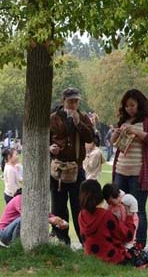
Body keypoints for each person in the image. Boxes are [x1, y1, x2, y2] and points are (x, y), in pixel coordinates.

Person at [78, 179, 148, 266]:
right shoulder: (106, 216)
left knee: (140, 253)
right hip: (112, 258)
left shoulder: (81, 216)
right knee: (143, 255)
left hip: (94, 257)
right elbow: (128, 235)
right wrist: (129, 215)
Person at [109, 89, 148, 249]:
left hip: (139, 174)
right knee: (119, 208)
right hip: (120, 172)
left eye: (132, 105)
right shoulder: (124, 121)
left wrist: (136, 131)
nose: (129, 109)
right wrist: (116, 134)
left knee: (138, 209)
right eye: (126, 106)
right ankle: (120, 242)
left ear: (140, 104)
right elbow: (113, 143)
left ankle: (139, 245)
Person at [49, 87, 94, 245]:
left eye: (76, 101)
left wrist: (78, 123)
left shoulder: (83, 117)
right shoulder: (53, 118)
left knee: (79, 207)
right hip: (58, 170)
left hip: (76, 168)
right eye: (70, 101)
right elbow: (46, 140)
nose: (73, 105)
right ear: (64, 101)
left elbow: (90, 138)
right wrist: (50, 148)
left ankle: (85, 242)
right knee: (58, 207)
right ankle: (62, 242)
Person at [0, 190, 68, 246]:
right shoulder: (19, 198)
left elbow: (45, 214)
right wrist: (50, 220)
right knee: (23, 219)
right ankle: (16, 246)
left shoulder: (33, 202)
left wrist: (61, 221)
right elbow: (28, 216)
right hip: (4, 233)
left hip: (13, 230)